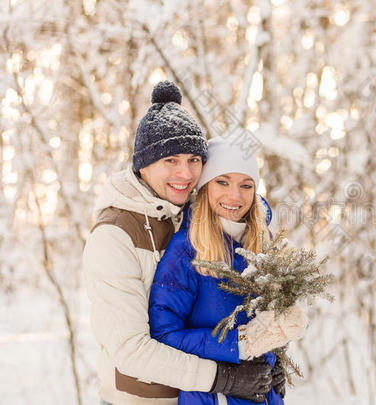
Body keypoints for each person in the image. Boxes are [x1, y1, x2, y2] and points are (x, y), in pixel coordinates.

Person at [83, 81, 272, 405]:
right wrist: (223, 377)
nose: (185, 173)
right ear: (143, 164)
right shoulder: (114, 236)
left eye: (194, 160)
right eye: (170, 160)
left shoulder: (194, 215)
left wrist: (269, 362)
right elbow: (131, 350)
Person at [148, 136, 308, 404]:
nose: (235, 196)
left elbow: (266, 322)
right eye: (222, 182)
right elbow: (164, 335)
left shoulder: (263, 244)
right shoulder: (186, 250)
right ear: (205, 186)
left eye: (246, 186)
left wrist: (273, 358)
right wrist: (239, 344)